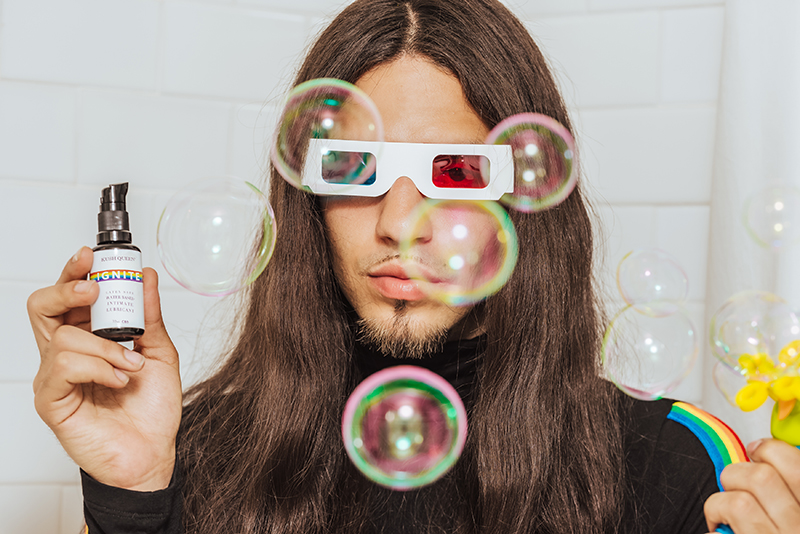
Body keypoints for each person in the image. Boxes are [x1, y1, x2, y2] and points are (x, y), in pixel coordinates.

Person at [26, 1, 800, 533]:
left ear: (525, 194)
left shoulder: (680, 466)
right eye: (356, 170)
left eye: (456, 173)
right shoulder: (190, 451)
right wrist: (132, 499)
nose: (400, 223)